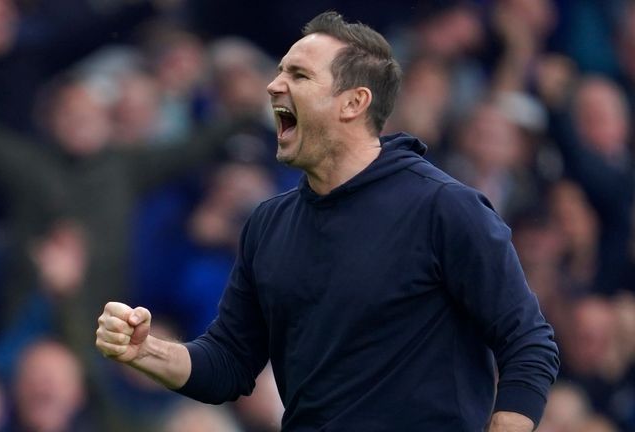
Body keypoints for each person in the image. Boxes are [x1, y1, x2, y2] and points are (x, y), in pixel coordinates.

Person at [96, 11, 559, 431]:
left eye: (298, 74)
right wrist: (146, 351)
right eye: (279, 71)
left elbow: (528, 342)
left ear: (354, 102)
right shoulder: (268, 224)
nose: (274, 85)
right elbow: (229, 364)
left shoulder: (444, 208)